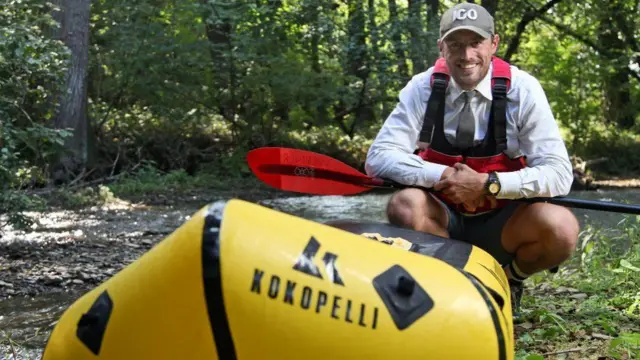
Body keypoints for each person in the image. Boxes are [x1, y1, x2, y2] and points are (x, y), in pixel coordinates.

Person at [364, 3, 580, 315]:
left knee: (561, 228)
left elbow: (559, 174)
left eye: (475, 43)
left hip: (503, 224)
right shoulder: (421, 88)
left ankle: (506, 281)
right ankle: (459, 284)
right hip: (441, 220)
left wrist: (487, 184)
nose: (466, 56)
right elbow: (378, 158)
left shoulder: (524, 89)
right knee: (404, 205)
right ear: (442, 47)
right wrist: (444, 177)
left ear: (494, 43)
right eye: (456, 44)